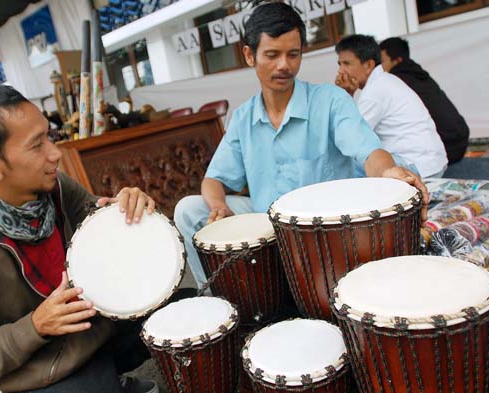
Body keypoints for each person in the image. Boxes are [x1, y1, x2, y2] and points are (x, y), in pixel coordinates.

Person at [174, 2, 428, 289]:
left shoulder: (330, 100)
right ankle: (216, 300)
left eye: (293, 54)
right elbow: (213, 179)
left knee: (396, 172)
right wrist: (219, 207)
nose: (284, 65)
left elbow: (368, 151)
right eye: (272, 55)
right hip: (267, 223)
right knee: (189, 209)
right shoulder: (243, 118)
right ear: (249, 55)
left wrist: (388, 172)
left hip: (324, 231)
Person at [0, 86, 160, 393]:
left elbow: (93, 215)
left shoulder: (55, 186)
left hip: (95, 329)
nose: (55, 152)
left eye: (48, 136)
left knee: (181, 308)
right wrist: (34, 326)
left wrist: (125, 207)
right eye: (36, 145)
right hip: (42, 365)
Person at [335, 34, 448, 179]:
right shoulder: (384, 80)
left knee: (344, 162)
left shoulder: (375, 90)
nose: (341, 71)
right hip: (431, 162)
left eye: (347, 63)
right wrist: (348, 94)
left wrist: (344, 94)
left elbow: (351, 137)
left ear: (368, 65)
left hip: (418, 166)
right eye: (340, 64)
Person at [379, 37, 469, 163]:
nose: (379, 67)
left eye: (381, 61)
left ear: (397, 60)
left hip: (445, 148)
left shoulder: (396, 81)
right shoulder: (419, 74)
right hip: (461, 139)